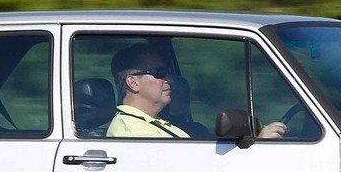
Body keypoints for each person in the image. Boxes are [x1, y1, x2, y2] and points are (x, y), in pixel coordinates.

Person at [106, 43, 286, 140]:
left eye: (168, 72)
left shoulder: (153, 123)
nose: (169, 79)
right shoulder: (132, 132)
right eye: (160, 73)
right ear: (133, 83)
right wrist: (261, 146)